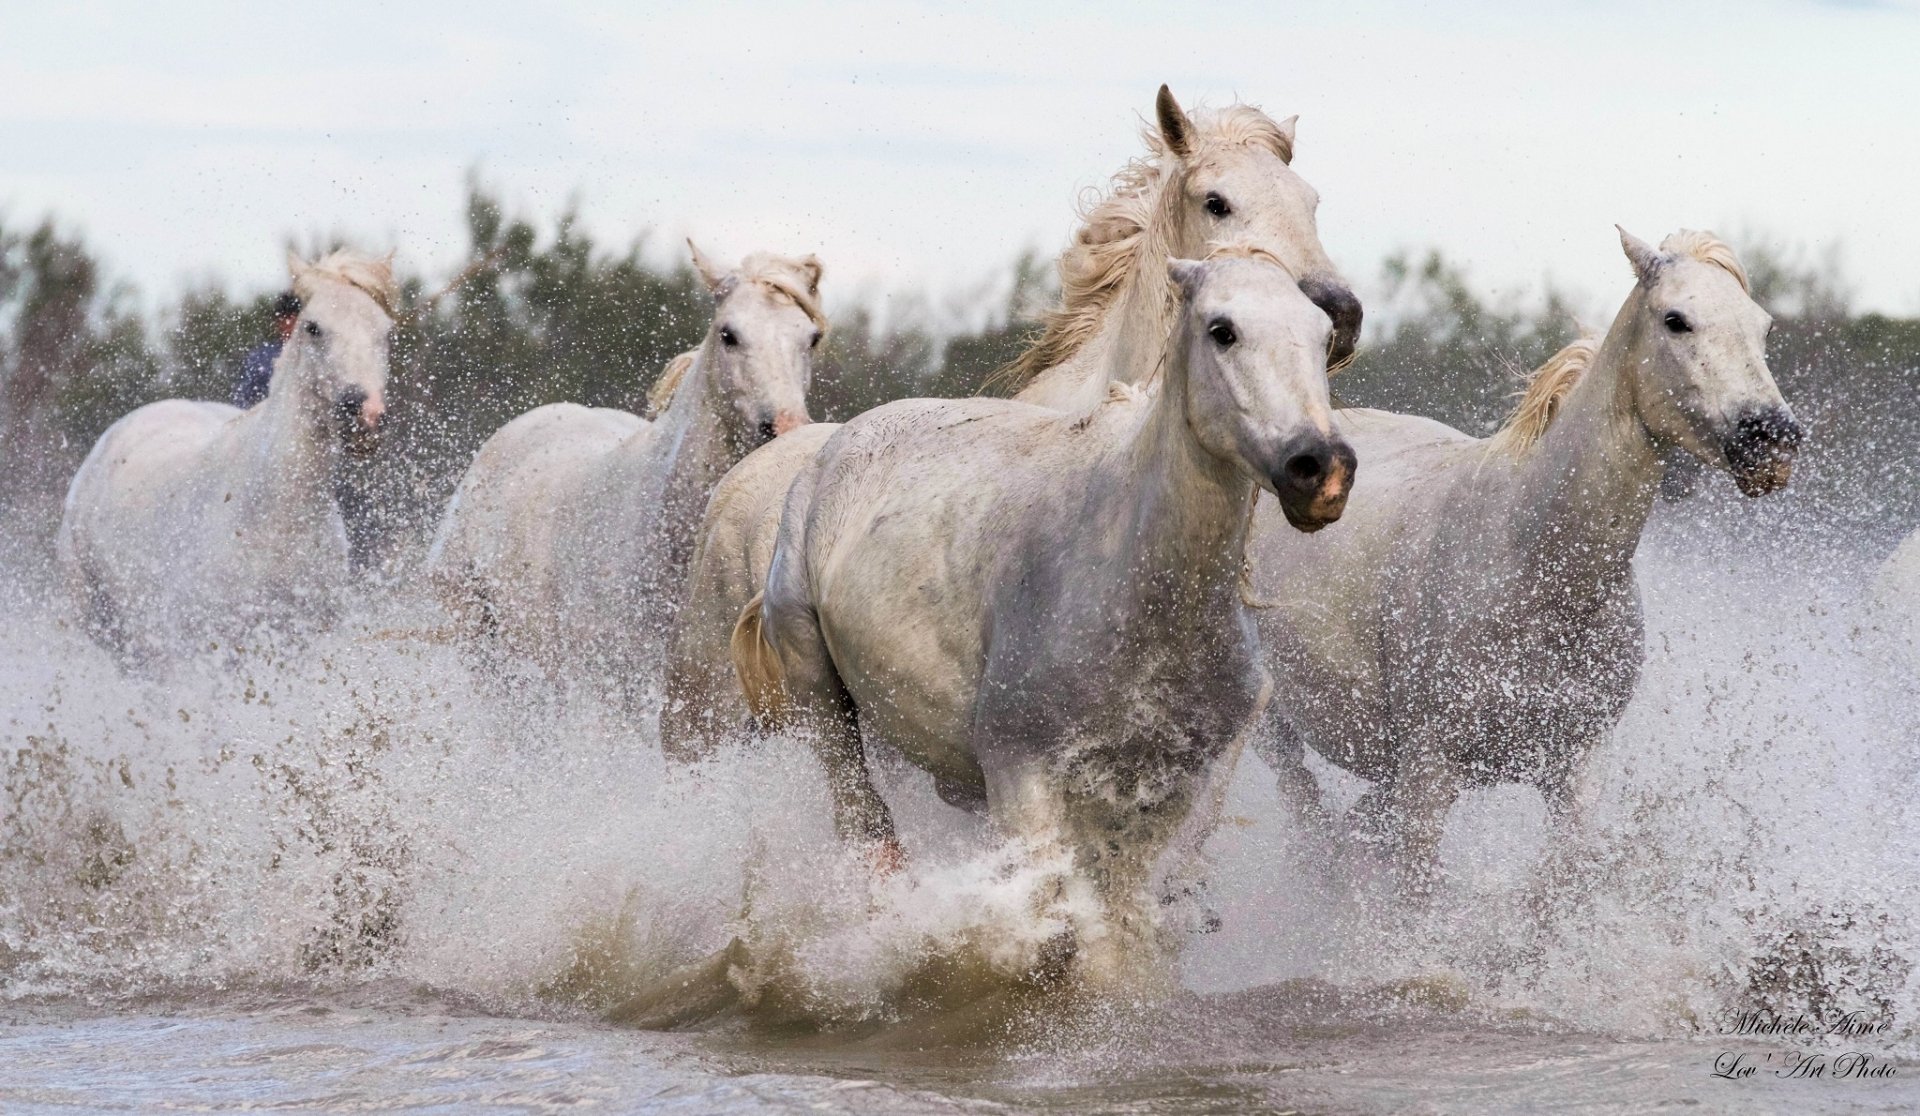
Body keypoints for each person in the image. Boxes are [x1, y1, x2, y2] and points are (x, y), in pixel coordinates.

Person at [231, 292, 302, 408]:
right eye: (282, 319)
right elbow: (242, 395)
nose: (287, 324)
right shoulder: (262, 356)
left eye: (292, 318)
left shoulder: (310, 354)